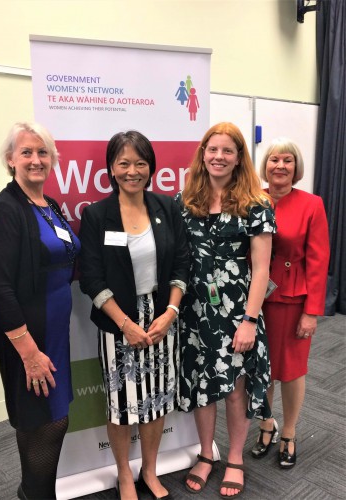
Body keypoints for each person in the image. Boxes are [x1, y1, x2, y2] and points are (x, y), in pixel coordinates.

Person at [78, 130, 189, 500]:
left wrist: (171, 312)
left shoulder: (166, 208)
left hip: (161, 320)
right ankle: (125, 475)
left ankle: (150, 471)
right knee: (121, 406)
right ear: (111, 167)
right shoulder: (97, 215)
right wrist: (125, 324)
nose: (132, 170)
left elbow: (181, 264)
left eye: (140, 162)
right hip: (117, 323)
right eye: (124, 162)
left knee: (157, 398)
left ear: (150, 167)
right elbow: (91, 279)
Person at [0, 122, 80, 500]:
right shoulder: (4, 211)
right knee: (44, 422)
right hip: (28, 338)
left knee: (54, 417)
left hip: (53, 330)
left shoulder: (49, 206)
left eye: (42, 152)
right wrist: (28, 352)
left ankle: (35, 493)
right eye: (27, 152)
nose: (36, 160)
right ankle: (34, 495)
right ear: (10, 161)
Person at [175, 122, 276, 498]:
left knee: (235, 389)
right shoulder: (184, 201)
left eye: (227, 151)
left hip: (237, 312)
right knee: (202, 384)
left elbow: (262, 269)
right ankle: (206, 453)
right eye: (212, 149)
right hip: (195, 310)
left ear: (238, 158)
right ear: (203, 154)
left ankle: (234, 458)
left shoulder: (256, 203)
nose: (218, 156)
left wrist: (250, 321)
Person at [251, 138, 330, 468]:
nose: (280, 166)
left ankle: (289, 432)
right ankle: (265, 425)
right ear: (265, 165)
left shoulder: (312, 204)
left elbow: (318, 259)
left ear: (296, 168)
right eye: (273, 160)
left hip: (294, 300)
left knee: (293, 370)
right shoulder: (253, 200)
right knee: (263, 369)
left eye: (287, 160)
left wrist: (312, 311)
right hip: (257, 299)